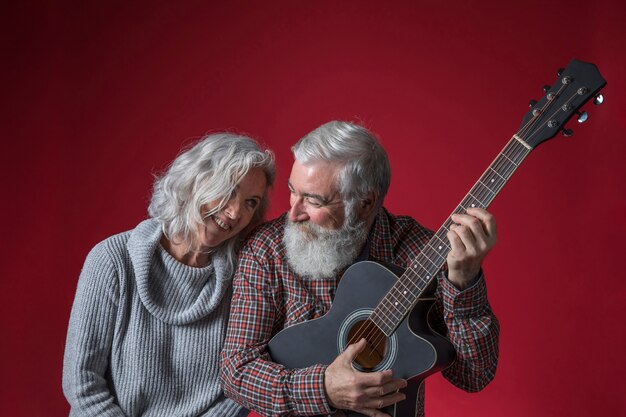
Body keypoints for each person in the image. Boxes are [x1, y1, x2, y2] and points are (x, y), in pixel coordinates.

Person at [220, 121, 500, 417]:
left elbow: (474, 376)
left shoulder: (419, 252)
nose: (293, 212)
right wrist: (323, 389)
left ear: (364, 203)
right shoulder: (267, 249)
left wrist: (463, 281)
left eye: (313, 200)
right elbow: (236, 372)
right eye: (293, 191)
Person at [62, 133, 275, 417]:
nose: (235, 212)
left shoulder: (246, 277)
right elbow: (83, 385)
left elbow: (240, 387)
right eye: (230, 189)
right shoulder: (113, 260)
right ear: (194, 181)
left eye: (250, 202)